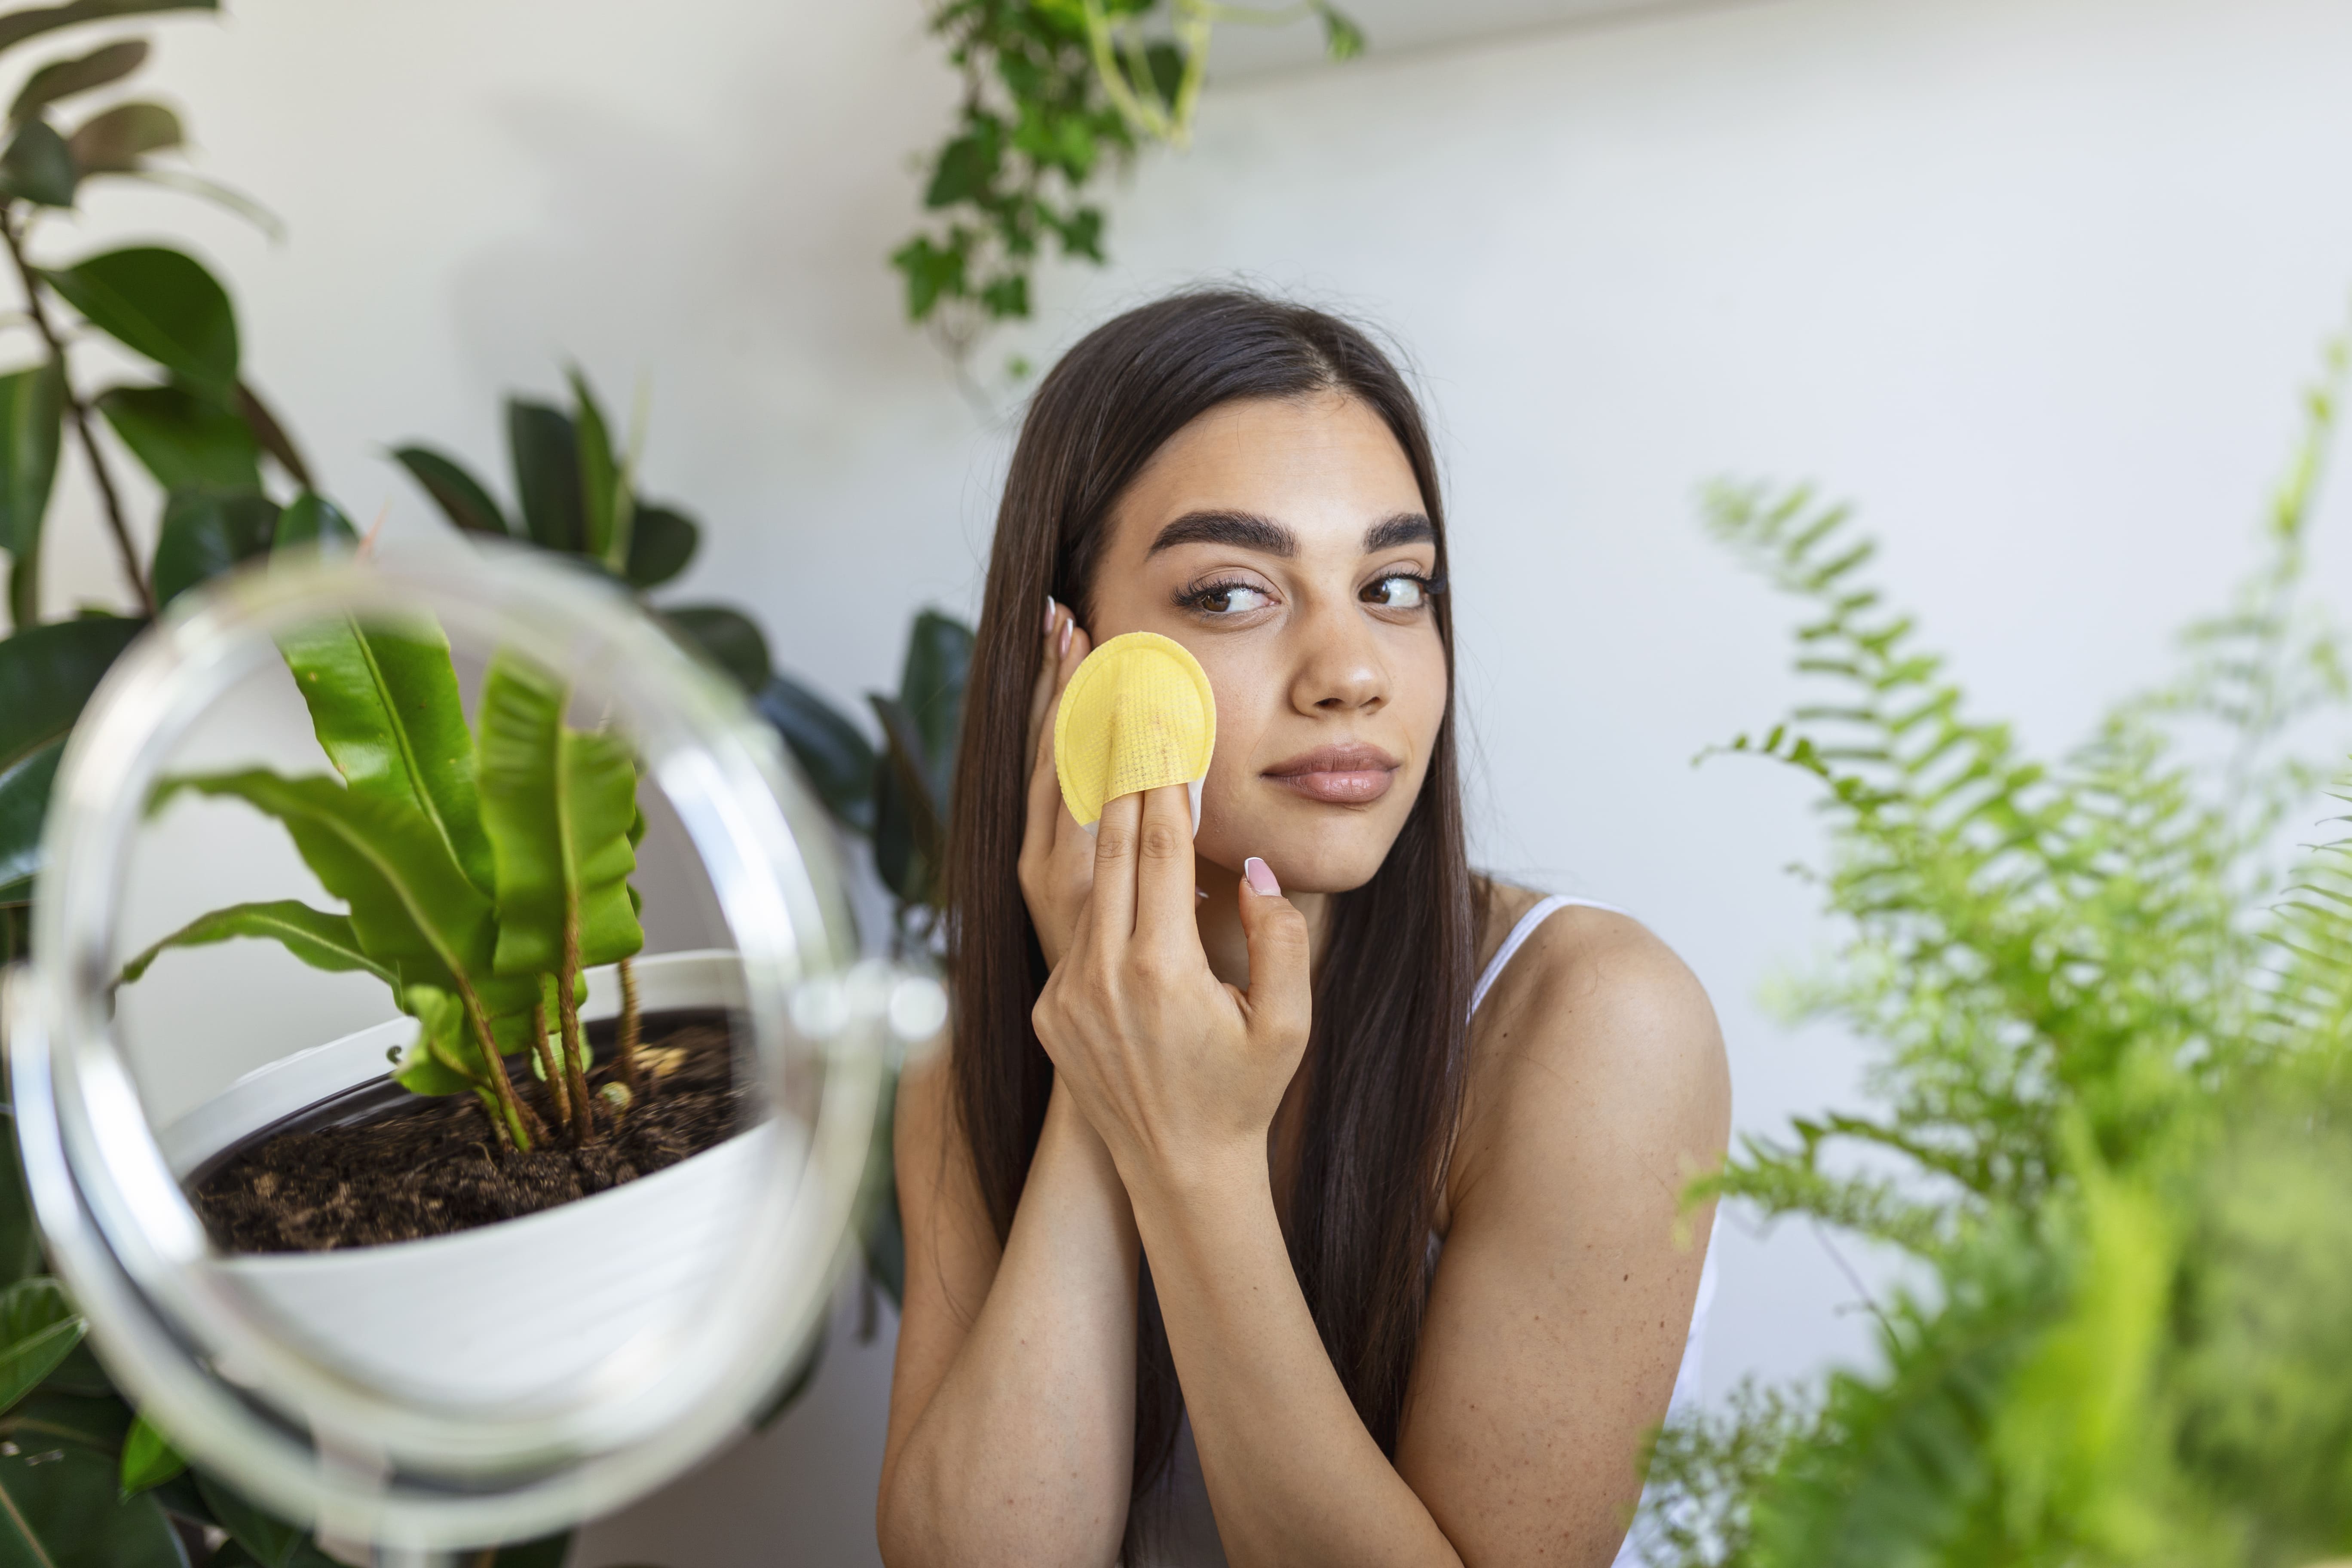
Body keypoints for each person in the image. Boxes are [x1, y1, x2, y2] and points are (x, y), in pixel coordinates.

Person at [876, 289, 1729, 1568]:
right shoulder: (967, 1067)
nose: (1354, 671)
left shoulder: (1593, 1023)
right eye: (1231, 595)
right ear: (1070, 659)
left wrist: (1197, 1162)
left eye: (1394, 586)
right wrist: (1103, 1058)